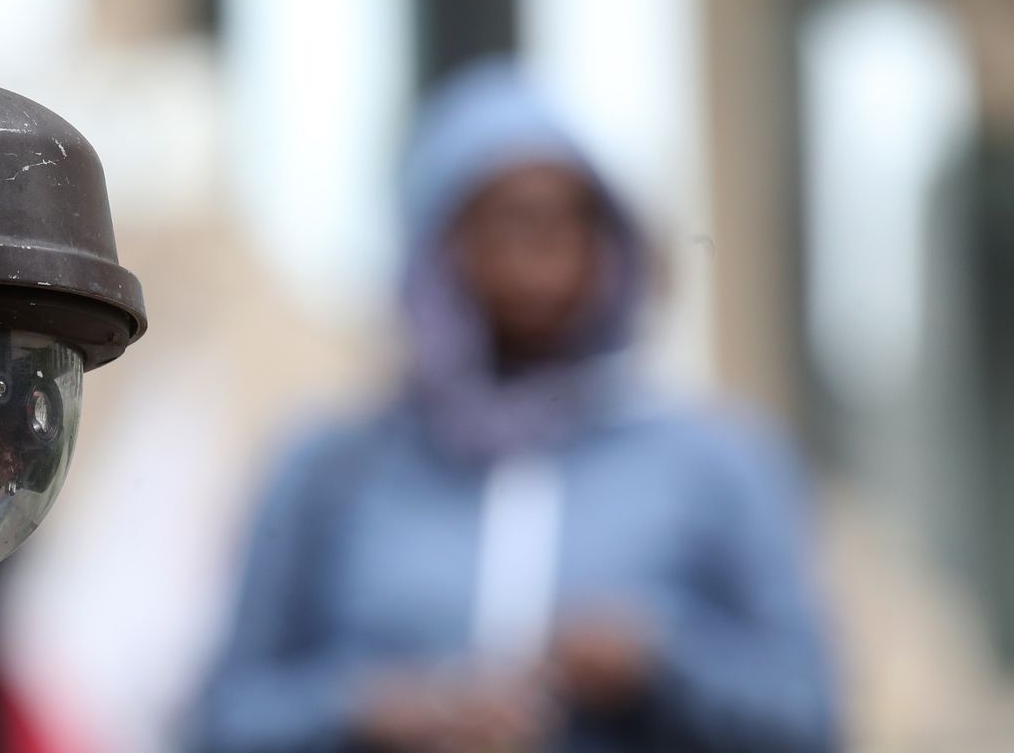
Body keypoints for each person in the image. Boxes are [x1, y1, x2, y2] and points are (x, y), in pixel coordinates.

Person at [188, 60, 838, 753]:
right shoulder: (331, 469)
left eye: (570, 223)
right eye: (506, 224)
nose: (540, 259)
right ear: (436, 248)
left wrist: (656, 662)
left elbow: (809, 716)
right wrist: (375, 710)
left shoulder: (715, 464)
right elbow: (222, 721)